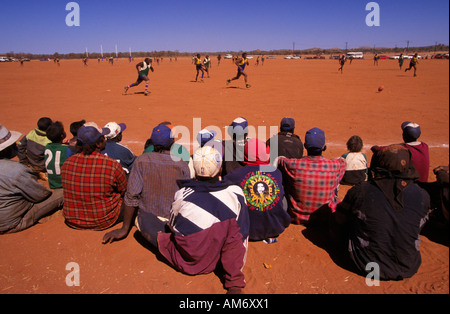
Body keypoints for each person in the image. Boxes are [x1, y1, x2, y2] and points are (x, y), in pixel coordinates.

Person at [103, 145, 250, 294]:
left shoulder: (183, 194)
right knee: (232, 230)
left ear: (195, 170)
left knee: (144, 218)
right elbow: (241, 233)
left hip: (186, 260)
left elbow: (173, 226)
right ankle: (234, 285)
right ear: (219, 169)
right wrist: (234, 282)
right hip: (216, 256)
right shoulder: (235, 193)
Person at [332, 144, 430, 280]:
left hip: (366, 263)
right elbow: (418, 226)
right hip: (407, 264)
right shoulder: (422, 195)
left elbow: (339, 220)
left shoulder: (360, 191)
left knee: (349, 219)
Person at [102, 122, 191, 246]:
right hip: (172, 222)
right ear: (172, 143)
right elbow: (186, 197)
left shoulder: (141, 161)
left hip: (145, 221)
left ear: (152, 143)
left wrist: (124, 229)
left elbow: (131, 195)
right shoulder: (182, 165)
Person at [61, 123, 128, 230]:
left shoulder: (67, 163)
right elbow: (124, 190)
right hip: (104, 220)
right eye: (103, 138)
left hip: (72, 219)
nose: (105, 139)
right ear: (98, 144)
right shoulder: (111, 165)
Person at [0, 124, 64, 234]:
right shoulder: (16, 170)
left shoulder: (15, 170)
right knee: (62, 192)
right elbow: (40, 195)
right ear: (6, 148)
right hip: (12, 222)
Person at [224, 138, 290, 242]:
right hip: (275, 228)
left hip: (245, 230)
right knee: (282, 197)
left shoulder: (237, 174)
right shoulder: (276, 172)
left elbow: (224, 183)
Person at [278, 127, 346, 225]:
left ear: (305, 146)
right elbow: (342, 160)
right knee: (335, 184)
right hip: (326, 218)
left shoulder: (292, 164)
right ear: (324, 147)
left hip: (297, 217)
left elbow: (280, 159)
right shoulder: (335, 165)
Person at [44, 121, 70, 189]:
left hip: (53, 184)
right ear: (62, 135)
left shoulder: (47, 147)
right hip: (64, 184)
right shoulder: (66, 149)